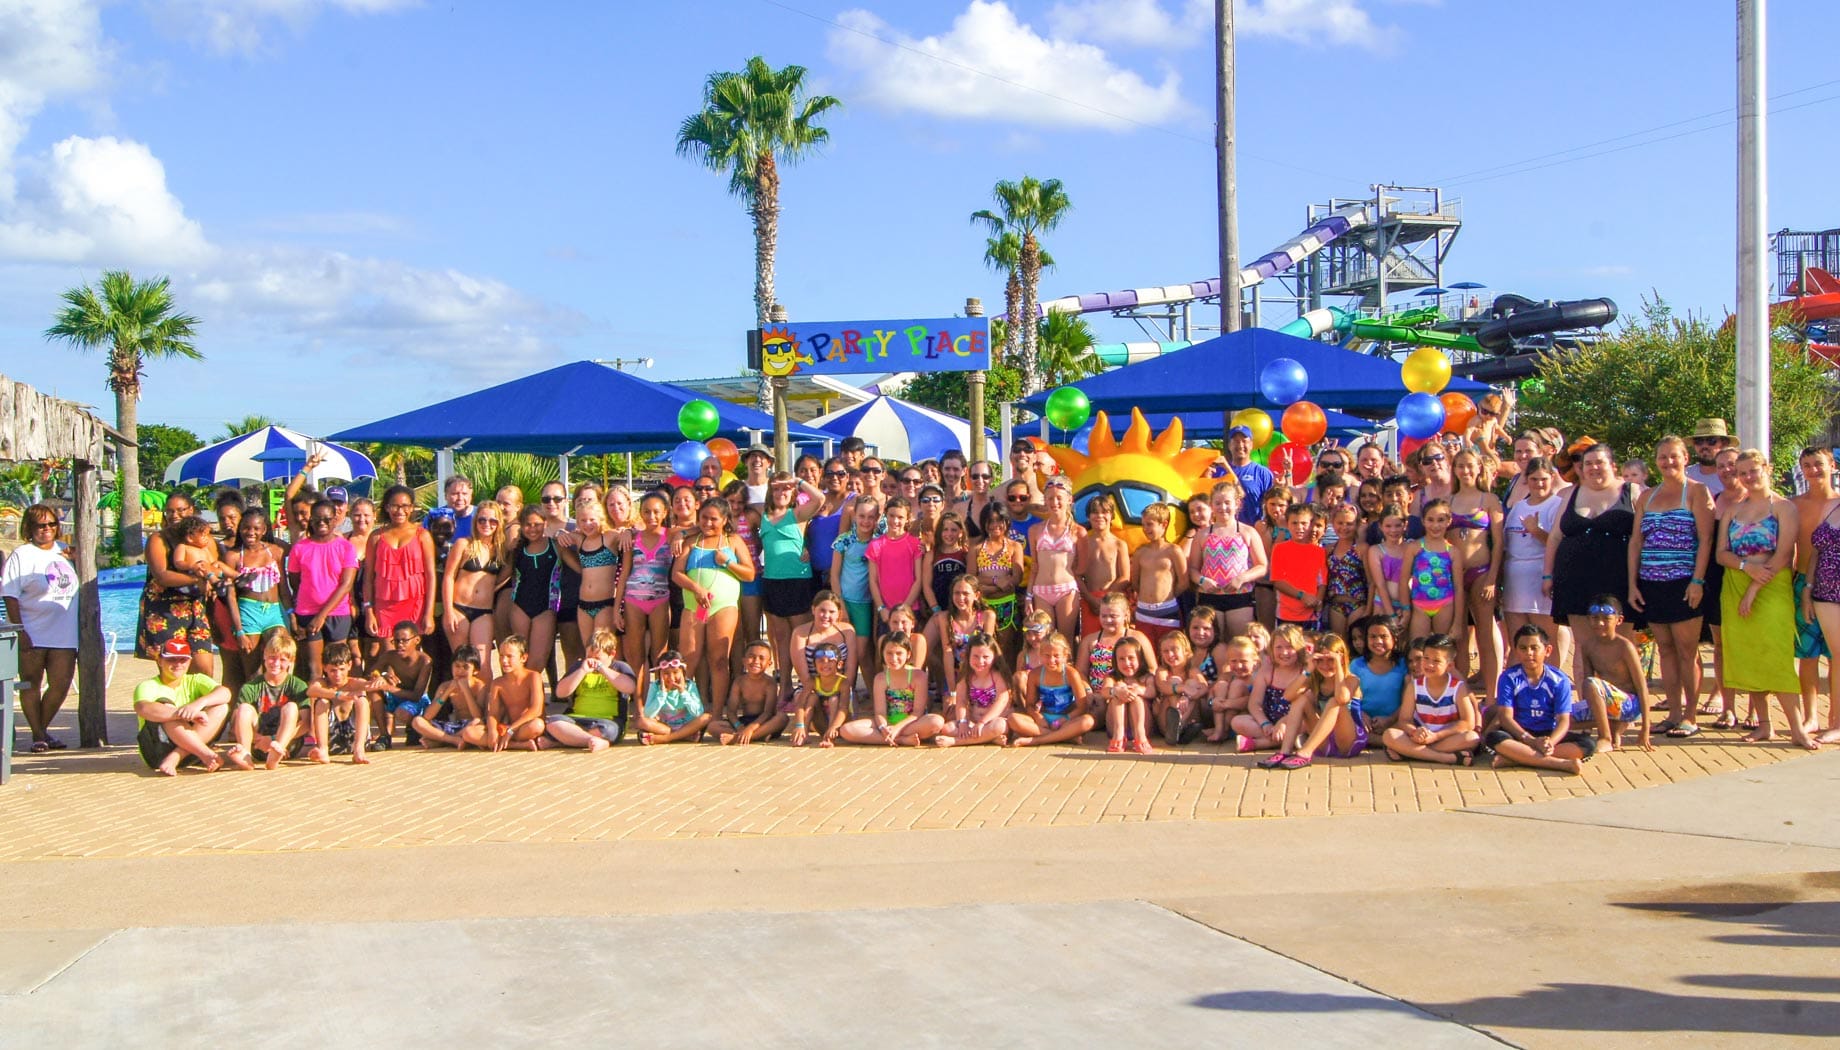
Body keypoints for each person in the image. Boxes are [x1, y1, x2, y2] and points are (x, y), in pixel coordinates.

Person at [1717, 450, 1815, 748]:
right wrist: (1747, 569)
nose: (1748, 477)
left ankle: (1797, 729)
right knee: (1747, 654)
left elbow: (1785, 553)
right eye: (1742, 472)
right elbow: (1722, 553)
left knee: (1776, 655)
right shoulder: (1734, 509)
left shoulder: (1784, 508)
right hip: (1735, 582)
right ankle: (1764, 724)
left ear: (1767, 469)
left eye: (1753, 470)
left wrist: (1755, 587)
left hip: (1772, 586)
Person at [1628, 437, 1715, 737]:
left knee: (1686, 650)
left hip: (1684, 582)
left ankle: (1691, 715)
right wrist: (1632, 584)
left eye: (1674, 457)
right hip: (1652, 581)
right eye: (1662, 457)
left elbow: (1705, 539)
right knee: (1664, 649)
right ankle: (1673, 712)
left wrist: (1697, 581)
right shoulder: (1647, 497)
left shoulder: (1697, 492)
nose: (1668, 462)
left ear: (1685, 458)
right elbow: (1636, 542)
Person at [1546, 443, 1640, 682]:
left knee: (1621, 644)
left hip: (1619, 580)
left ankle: (1623, 711)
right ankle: (1588, 706)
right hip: (1575, 581)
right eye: (1588, 463)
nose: (1594, 468)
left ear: (1613, 466)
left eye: (1600, 462)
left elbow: (1643, 537)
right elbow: (1556, 537)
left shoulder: (1633, 492)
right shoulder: (1570, 494)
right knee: (1584, 646)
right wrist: (1548, 576)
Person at [3, 505, 78, 753]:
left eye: (52, 524)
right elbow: (10, 595)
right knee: (31, 683)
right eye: (41, 525)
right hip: (33, 630)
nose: (47, 529)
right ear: (30, 528)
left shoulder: (67, 551)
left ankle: (41, 729)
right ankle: (38, 736)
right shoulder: (22, 555)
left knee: (61, 684)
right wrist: (20, 630)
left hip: (64, 632)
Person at [674, 496, 755, 710]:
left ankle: (718, 712)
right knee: (688, 659)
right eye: (704, 518)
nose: (708, 523)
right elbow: (677, 574)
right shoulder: (692, 542)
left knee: (719, 660)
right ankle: (684, 711)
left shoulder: (734, 541)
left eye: (713, 519)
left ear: (725, 519)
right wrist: (697, 589)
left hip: (724, 607)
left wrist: (727, 562)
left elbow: (749, 574)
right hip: (695, 606)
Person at [136, 492, 220, 678]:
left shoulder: (204, 538)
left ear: (191, 510)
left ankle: (199, 706)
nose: (175, 515)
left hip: (195, 607)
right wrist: (197, 579)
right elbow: (162, 576)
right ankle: (176, 707)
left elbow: (214, 565)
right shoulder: (158, 540)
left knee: (204, 668)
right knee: (172, 671)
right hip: (164, 609)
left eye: (181, 510)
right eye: (170, 511)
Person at [1488, 624, 1590, 774]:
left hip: (1548, 733)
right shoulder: (1508, 678)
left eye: (1534, 648)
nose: (1529, 653)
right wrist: (1530, 741)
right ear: (1516, 651)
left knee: (1588, 744)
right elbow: (1505, 718)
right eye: (1523, 648)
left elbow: (1563, 720)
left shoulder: (1559, 680)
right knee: (1495, 737)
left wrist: (1550, 743)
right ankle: (1561, 764)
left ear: (1547, 651)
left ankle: (1517, 758)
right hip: (1520, 734)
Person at [758, 470, 826, 694]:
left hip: (797, 581)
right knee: (781, 639)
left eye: (785, 488)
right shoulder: (763, 514)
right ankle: (785, 686)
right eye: (776, 488)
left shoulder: (796, 514)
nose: (780, 492)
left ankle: (809, 686)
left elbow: (819, 499)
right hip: (772, 581)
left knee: (802, 637)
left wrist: (797, 481)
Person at [1448, 449, 1505, 701]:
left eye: (1470, 466)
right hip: (1454, 576)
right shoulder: (1448, 501)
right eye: (1460, 466)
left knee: (1484, 635)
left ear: (1479, 468)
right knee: (1458, 636)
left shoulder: (1489, 499)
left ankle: (1492, 696)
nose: (1466, 471)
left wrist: (1493, 577)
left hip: (1481, 571)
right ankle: (1463, 696)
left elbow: (1500, 543)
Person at [1502, 457, 1566, 670]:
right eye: (1534, 479)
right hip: (1514, 580)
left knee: (1545, 641)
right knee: (1517, 640)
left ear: (1552, 478)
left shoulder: (1556, 505)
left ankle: (1552, 686)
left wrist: (1536, 530)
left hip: (1540, 577)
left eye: (1543, 479)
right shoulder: (1518, 506)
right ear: (1526, 480)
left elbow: (1559, 545)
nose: (1539, 484)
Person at [132, 638, 232, 775]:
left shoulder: (196, 680)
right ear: (160, 661)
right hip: (158, 751)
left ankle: (177, 756)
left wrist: (198, 704)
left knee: (221, 707)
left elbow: (225, 693)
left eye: (182, 660)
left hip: (193, 752)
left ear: (190, 661)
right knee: (164, 706)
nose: (178, 664)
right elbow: (142, 708)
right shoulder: (148, 686)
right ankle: (206, 754)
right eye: (171, 659)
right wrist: (181, 713)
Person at [287, 498, 359, 683]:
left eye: (326, 519)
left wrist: (322, 614)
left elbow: (346, 584)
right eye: (317, 519)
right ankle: (315, 710)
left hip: (337, 613)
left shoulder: (345, 547)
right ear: (310, 520)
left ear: (335, 519)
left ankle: (337, 707)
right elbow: (295, 581)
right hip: (307, 612)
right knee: (314, 668)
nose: (322, 523)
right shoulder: (300, 548)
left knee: (337, 668)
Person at [1379, 633, 1480, 765]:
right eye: (1426, 658)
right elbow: (1404, 720)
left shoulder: (1458, 688)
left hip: (1446, 738)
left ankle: (1410, 753)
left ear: (1449, 665)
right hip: (1420, 737)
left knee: (1472, 738)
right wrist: (1415, 732)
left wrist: (1436, 736)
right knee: (1389, 735)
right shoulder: (1414, 686)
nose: (1429, 665)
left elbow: (1467, 723)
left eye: (1436, 661)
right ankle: (1445, 758)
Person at [1791, 447, 1836, 735]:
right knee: (1806, 655)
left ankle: (1836, 714)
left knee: (1836, 655)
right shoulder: (1793, 504)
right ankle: (1810, 715)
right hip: (1802, 582)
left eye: (1818, 464)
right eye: (1806, 466)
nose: (1813, 470)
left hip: (1835, 586)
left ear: (1831, 465)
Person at [1572, 595, 1652, 753]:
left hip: (1629, 704)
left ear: (1619, 620)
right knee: (1559, 718)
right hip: (1605, 702)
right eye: (1595, 618)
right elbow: (1587, 691)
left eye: (1606, 619)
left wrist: (1646, 728)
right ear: (1588, 619)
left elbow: (1642, 687)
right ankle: (1612, 729)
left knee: (1591, 683)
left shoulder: (1625, 646)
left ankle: (1605, 737)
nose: (1600, 623)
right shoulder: (1587, 646)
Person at [837, 632, 946, 746]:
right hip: (887, 723)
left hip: (911, 723)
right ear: (882, 654)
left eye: (899, 653)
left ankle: (892, 737)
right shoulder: (880, 678)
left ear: (908, 654)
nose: (894, 658)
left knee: (937, 721)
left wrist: (897, 728)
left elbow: (917, 713)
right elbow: (880, 712)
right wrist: (883, 727)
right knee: (846, 730)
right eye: (889, 653)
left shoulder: (919, 676)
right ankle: (901, 740)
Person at [227, 627, 311, 770]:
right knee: (244, 709)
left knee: (291, 707)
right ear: (264, 655)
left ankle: (275, 755)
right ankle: (245, 755)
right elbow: (236, 723)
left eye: (282, 659)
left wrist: (273, 740)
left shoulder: (298, 685)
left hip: (288, 745)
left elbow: (305, 724)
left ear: (291, 661)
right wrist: (259, 739)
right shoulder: (251, 687)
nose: (276, 663)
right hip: (257, 743)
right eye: (272, 657)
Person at [1189, 480, 1264, 638]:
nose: (1223, 507)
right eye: (1218, 503)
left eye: (1227, 503)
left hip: (1239, 597)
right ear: (1211, 505)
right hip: (1210, 597)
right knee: (1214, 645)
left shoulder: (1247, 532)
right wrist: (1203, 581)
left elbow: (1262, 566)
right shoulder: (1202, 535)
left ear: (1237, 504)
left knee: (1239, 643)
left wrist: (1242, 578)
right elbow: (1193, 569)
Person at [545, 628, 636, 751]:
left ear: (612, 654)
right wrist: (581, 671)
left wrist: (603, 669)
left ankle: (565, 740)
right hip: (575, 718)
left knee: (608, 731)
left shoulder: (620, 667)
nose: (592, 661)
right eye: (589, 656)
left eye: (597, 658)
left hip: (607, 721)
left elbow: (630, 687)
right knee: (552, 722)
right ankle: (589, 741)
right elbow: (560, 693)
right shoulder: (579, 667)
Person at [1286, 633, 1367, 766]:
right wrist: (1308, 670)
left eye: (1330, 660)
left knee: (1335, 702)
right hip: (1324, 741)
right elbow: (1288, 696)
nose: (1325, 665)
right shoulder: (1316, 680)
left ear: (1341, 658)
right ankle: (1285, 751)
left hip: (1350, 741)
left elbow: (1342, 699)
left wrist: (1339, 666)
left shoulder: (1352, 679)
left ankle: (1305, 752)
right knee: (1300, 700)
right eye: (1320, 660)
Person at [787, 591, 859, 740]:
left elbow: (851, 668)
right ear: (813, 610)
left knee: (835, 700)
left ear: (839, 613)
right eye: (822, 611)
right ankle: (803, 730)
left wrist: (842, 690)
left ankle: (831, 731)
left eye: (831, 612)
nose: (826, 616)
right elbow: (804, 675)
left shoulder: (847, 631)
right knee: (806, 697)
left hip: (839, 686)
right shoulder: (800, 633)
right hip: (811, 687)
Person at [1009, 631, 1095, 747]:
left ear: (1065, 656)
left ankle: (1036, 740)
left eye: (1056, 656)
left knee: (1088, 721)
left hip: (1067, 720)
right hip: (1044, 719)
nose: (1051, 661)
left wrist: (1065, 719)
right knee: (1013, 719)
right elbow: (1029, 705)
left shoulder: (1071, 674)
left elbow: (1082, 707)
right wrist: (1038, 717)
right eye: (1047, 656)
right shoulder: (1035, 674)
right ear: (1040, 655)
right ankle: (1065, 737)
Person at [1026, 483, 1085, 641]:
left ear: (1069, 500)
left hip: (1066, 590)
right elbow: (1034, 567)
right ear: (1045, 500)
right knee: (1044, 640)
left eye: (1059, 498)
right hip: (1041, 591)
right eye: (1050, 498)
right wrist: (1028, 596)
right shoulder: (1035, 530)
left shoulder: (1078, 531)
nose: (1054, 502)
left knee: (1066, 640)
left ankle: (1070, 667)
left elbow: (1082, 567)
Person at [365, 620, 434, 748]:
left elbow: (416, 695)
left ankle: (413, 728)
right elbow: (371, 672)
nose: (399, 645)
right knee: (373, 688)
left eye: (404, 640)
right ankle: (384, 735)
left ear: (417, 640)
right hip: (397, 696)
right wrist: (381, 676)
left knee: (402, 712)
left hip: (416, 701)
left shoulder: (424, 661)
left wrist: (387, 687)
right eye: (396, 641)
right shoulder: (389, 656)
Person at [971, 501, 1025, 659]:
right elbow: (972, 579)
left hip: (1008, 604)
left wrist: (985, 586)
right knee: (984, 647)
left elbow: (1016, 578)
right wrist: (997, 581)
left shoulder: (1014, 547)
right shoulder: (976, 548)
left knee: (1006, 649)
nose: (995, 525)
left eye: (999, 520)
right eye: (990, 520)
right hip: (983, 605)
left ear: (1006, 521)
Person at [1130, 503, 1188, 645]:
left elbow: (1184, 582)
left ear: (1164, 524)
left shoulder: (1174, 551)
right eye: (1143, 525)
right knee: (1145, 652)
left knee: (1169, 651)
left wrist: (1167, 597)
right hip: (1143, 612)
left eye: (1149, 524)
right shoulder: (1140, 552)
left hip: (1167, 611)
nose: (1145, 529)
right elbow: (1135, 582)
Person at [410, 645, 488, 749]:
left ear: (475, 670)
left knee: (477, 722)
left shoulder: (480, 686)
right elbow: (428, 716)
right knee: (417, 721)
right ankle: (453, 740)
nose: (460, 671)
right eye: (457, 666)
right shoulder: (445, 686)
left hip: (470, 726)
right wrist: (447, 692)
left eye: (465, 667)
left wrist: (466, 691)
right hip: (454, 725)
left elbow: (477, 715)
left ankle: (443, 741)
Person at [866, 496, 925, 632]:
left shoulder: (914, 544)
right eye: (891, 516)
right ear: (886, 515)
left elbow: (918, 580)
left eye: (900, 517)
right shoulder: (876, 545)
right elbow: (873, 581)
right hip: (886, 611)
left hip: (910, 609)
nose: (895, 521)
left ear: (908, 518)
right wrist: (881, 608)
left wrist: (906, 608)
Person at [712, 640, 786, 745]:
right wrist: (739, 726)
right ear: (744, 661)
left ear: (769, 663)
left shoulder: (770, 683)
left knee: (782, 718)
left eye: (761, 658)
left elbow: (768, 713)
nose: (756, 661)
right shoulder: (739, 682)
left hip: (763, 722)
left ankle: (738, 738)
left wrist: (751, 728)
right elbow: (731, 711)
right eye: (752, 656)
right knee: (713, 726)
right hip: (744, 722)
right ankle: (755, 736)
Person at [1072, 496, 1129, 631]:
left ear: (1112, 516)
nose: (1100, 516)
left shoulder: (1119, 544)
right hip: (1090, 599)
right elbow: (1076, 574)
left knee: (1114, 641)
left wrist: (1107, 598)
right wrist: (1090, 598)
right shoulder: (1082, 544)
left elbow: (1125, 577)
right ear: (1088, 516)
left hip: (1113, 598)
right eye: (1095, 512)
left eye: (1104, 512)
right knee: (1092, 641)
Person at [1268, 504, 1327, 631]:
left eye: (1304, 523)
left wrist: (1318, 602)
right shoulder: (1279, 549)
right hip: (1286, 613)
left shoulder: (1319, 552)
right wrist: (1302, 596)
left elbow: (1322, 582)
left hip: (1310, 615)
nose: (1299, 527)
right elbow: (1277, 581)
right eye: (1294, 523)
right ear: (1287, 524)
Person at [482, 635, 546, 751]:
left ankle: (505, 742)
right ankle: (517, 745)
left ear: (523, 658)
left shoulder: (533, 677)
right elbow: (493, 713)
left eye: (509, 656)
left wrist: (512, 729)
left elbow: (536, 710)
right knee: (470, 733)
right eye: (501, 656)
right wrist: (492, 731)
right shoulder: (497, 683)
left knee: (537, 725)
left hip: (523, 727)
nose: (504, 661)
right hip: (507, 728)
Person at [1350, 616, 1408, 739]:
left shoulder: (1404, 665)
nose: (1378, 641)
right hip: (1362, 723)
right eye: (1373, 637)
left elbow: (1409, 700)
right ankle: (1388, 743)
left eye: (1383, 636)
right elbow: (1348, 696)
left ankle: (1386, 741)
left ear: (1394, 638)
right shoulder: (1356, 665)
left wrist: (1390, 720)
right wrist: (1359, 714)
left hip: (1395, 723)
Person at [830, 497, 880, 640]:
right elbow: (834, 575)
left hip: (865, 603)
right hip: (844, 600)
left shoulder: (878, 542)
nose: (866, 521)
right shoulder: (843, 540)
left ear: (877, 518)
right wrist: (841, 605)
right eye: (862, 516)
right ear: (854, 516)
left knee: (861, 651)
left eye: (871, 517)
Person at [1223, 425, 1273, 524]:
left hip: (1253, 531)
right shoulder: (1219, 472)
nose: (1240, 445)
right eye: (1236, 441)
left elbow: (1273, 503)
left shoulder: (1263, 473)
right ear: (1229, 445)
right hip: (1225, 533)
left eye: (1244, 441)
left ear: (1251, 444)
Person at [1686, 418, 1733, 497]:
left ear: (1724, 444)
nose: (1704, 446)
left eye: (1711, 441)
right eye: (1699, 441)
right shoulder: (1685, 475)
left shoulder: (1733, 476)